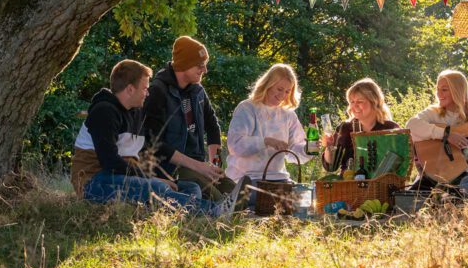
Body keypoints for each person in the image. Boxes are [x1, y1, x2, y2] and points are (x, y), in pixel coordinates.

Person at [72, 59, 246, 216]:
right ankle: (217, 211)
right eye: (145, 88)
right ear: (130, 89)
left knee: (190, 187)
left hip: (121, 177)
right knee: (156, 187)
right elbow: (110, 162)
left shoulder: (136, 113)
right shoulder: (105, 112)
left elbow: (150, 148)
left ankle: (182, 214)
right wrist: (151, 178)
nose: (148, 93)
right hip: (93, 181)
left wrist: (161, 176)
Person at [144, 36, 236, 201]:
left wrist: (214, 165)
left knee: (235, 191)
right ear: (184, 64)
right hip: (171, 169)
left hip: (197, 164)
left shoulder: (197, 90)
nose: (205, 70)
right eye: (200, 65)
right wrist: (199, 167)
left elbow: (212, 125)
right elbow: (154, 143)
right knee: (218, 198)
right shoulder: (158, 91)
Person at [226, 64, 310, 202]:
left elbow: (294, 152)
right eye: (279, 89)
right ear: (267, 85)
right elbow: (235, 146)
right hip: (247, 179)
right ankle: (235, 201)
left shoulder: (288, 115)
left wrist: (309, 149)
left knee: (306, 199)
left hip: (279, 179)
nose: (283, 95)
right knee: (267, 200)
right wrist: (265, 141)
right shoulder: (247, 108)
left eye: (288, 91)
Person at [406, 70, 468, 192]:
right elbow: (411, 125)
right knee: (407, 201)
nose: (439, 94)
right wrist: (446, 135)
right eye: (437, 89)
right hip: (437, 172)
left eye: (444, 90)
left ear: (458, 90)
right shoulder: (433, 112)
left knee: (463, 194)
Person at [321, 78, 400, 172]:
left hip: (381, 184)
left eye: (360, 101)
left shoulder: (390, 128)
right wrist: (329, 148)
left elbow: (399, 163)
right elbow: (331, 167)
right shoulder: (345, 128)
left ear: (374, 101)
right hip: (349, 184)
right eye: (352, 102)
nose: (354, 106)